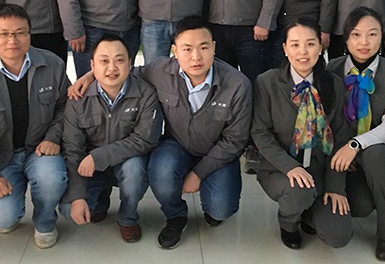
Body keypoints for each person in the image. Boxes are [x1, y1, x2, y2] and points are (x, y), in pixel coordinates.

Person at [69, 16, 252, 249]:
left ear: (214, 47)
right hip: (177, 146)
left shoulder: (238, 85)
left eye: (203, 47)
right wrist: (90, 75)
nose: (196, 57)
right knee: (160, 171)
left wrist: (198, 174)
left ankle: (212, 208)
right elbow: (124, 71)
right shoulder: (159, 70)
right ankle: (176, 216)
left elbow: (235, 140)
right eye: (187, 48)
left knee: (221, 209)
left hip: (218, 152)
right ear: (175, 51)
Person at [0, 3, 69, 249]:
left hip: (39, 149)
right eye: (4, 34)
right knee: (3, 219)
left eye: (20, 33)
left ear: (29, 33)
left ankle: (45, 221)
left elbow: (65, 108)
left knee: (51, 178)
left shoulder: (53, 64)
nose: (12, 40)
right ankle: (10, 205)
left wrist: (53, 137)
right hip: (0, 157)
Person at [251, 18, 351, 251]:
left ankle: (308, 212)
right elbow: (260, 132)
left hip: (320, 170)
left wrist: (335, 186)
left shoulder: (334, 84)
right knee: (299, 191)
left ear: (320, 47)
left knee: (338, 236)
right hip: (279, 170)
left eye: (310, 44)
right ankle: (289, 223)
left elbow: (340, 137)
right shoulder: (267, 82)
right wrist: (290, 167)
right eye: (295, 45)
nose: (303, 51)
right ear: (285, 49)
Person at [61, 34, 161, 243]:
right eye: (104, 61)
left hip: (126, 161)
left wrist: (99, 157)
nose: (112, 68)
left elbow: (145, 140)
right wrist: (77, 196)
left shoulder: (146, 93)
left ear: (130, 63)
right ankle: (100, 199)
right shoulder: (78, 98)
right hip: (91, 167)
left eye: (119, 60)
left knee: (134, 170)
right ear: (92, 65)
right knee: (68, 209)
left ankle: (128, 217)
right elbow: (72, 149)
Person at [327, 7, 385, 260]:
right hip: (345, 151)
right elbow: (327, 121)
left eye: (372, 34)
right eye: (356, 34)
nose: (364, 42)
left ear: (382, 37)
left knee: (375, 155)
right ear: (346, 38)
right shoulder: (331, 69)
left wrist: (355, 145)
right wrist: (344, 149)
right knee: (360, 207)